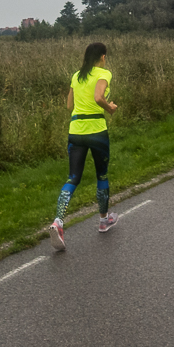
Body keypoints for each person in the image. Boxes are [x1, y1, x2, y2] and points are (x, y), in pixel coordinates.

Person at [48, 42, 119, 252]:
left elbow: (69, 106)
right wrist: (110, 107)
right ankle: (104, 220)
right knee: (102, 176)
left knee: (73, 177)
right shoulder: (104, 74)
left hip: (76, 131)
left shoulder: (76, 75)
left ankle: (58, 222)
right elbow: (98, 97)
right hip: (96, 130)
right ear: (103, 57)